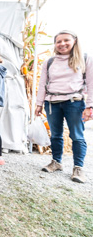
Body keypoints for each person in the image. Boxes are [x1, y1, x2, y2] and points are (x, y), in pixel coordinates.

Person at [35, 30, 93, 183]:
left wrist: (90, 105)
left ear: (75, 41)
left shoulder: (85, 59)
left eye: (66, 40)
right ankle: (56, 162)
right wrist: (39, 103)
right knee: (55, 134)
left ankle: (78, 168)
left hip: (74, 102)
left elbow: (91, 83)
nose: (62, 44)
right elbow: (42, 84)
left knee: (77, 136)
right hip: (52, 103)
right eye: (58, 41)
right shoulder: (50, 62)